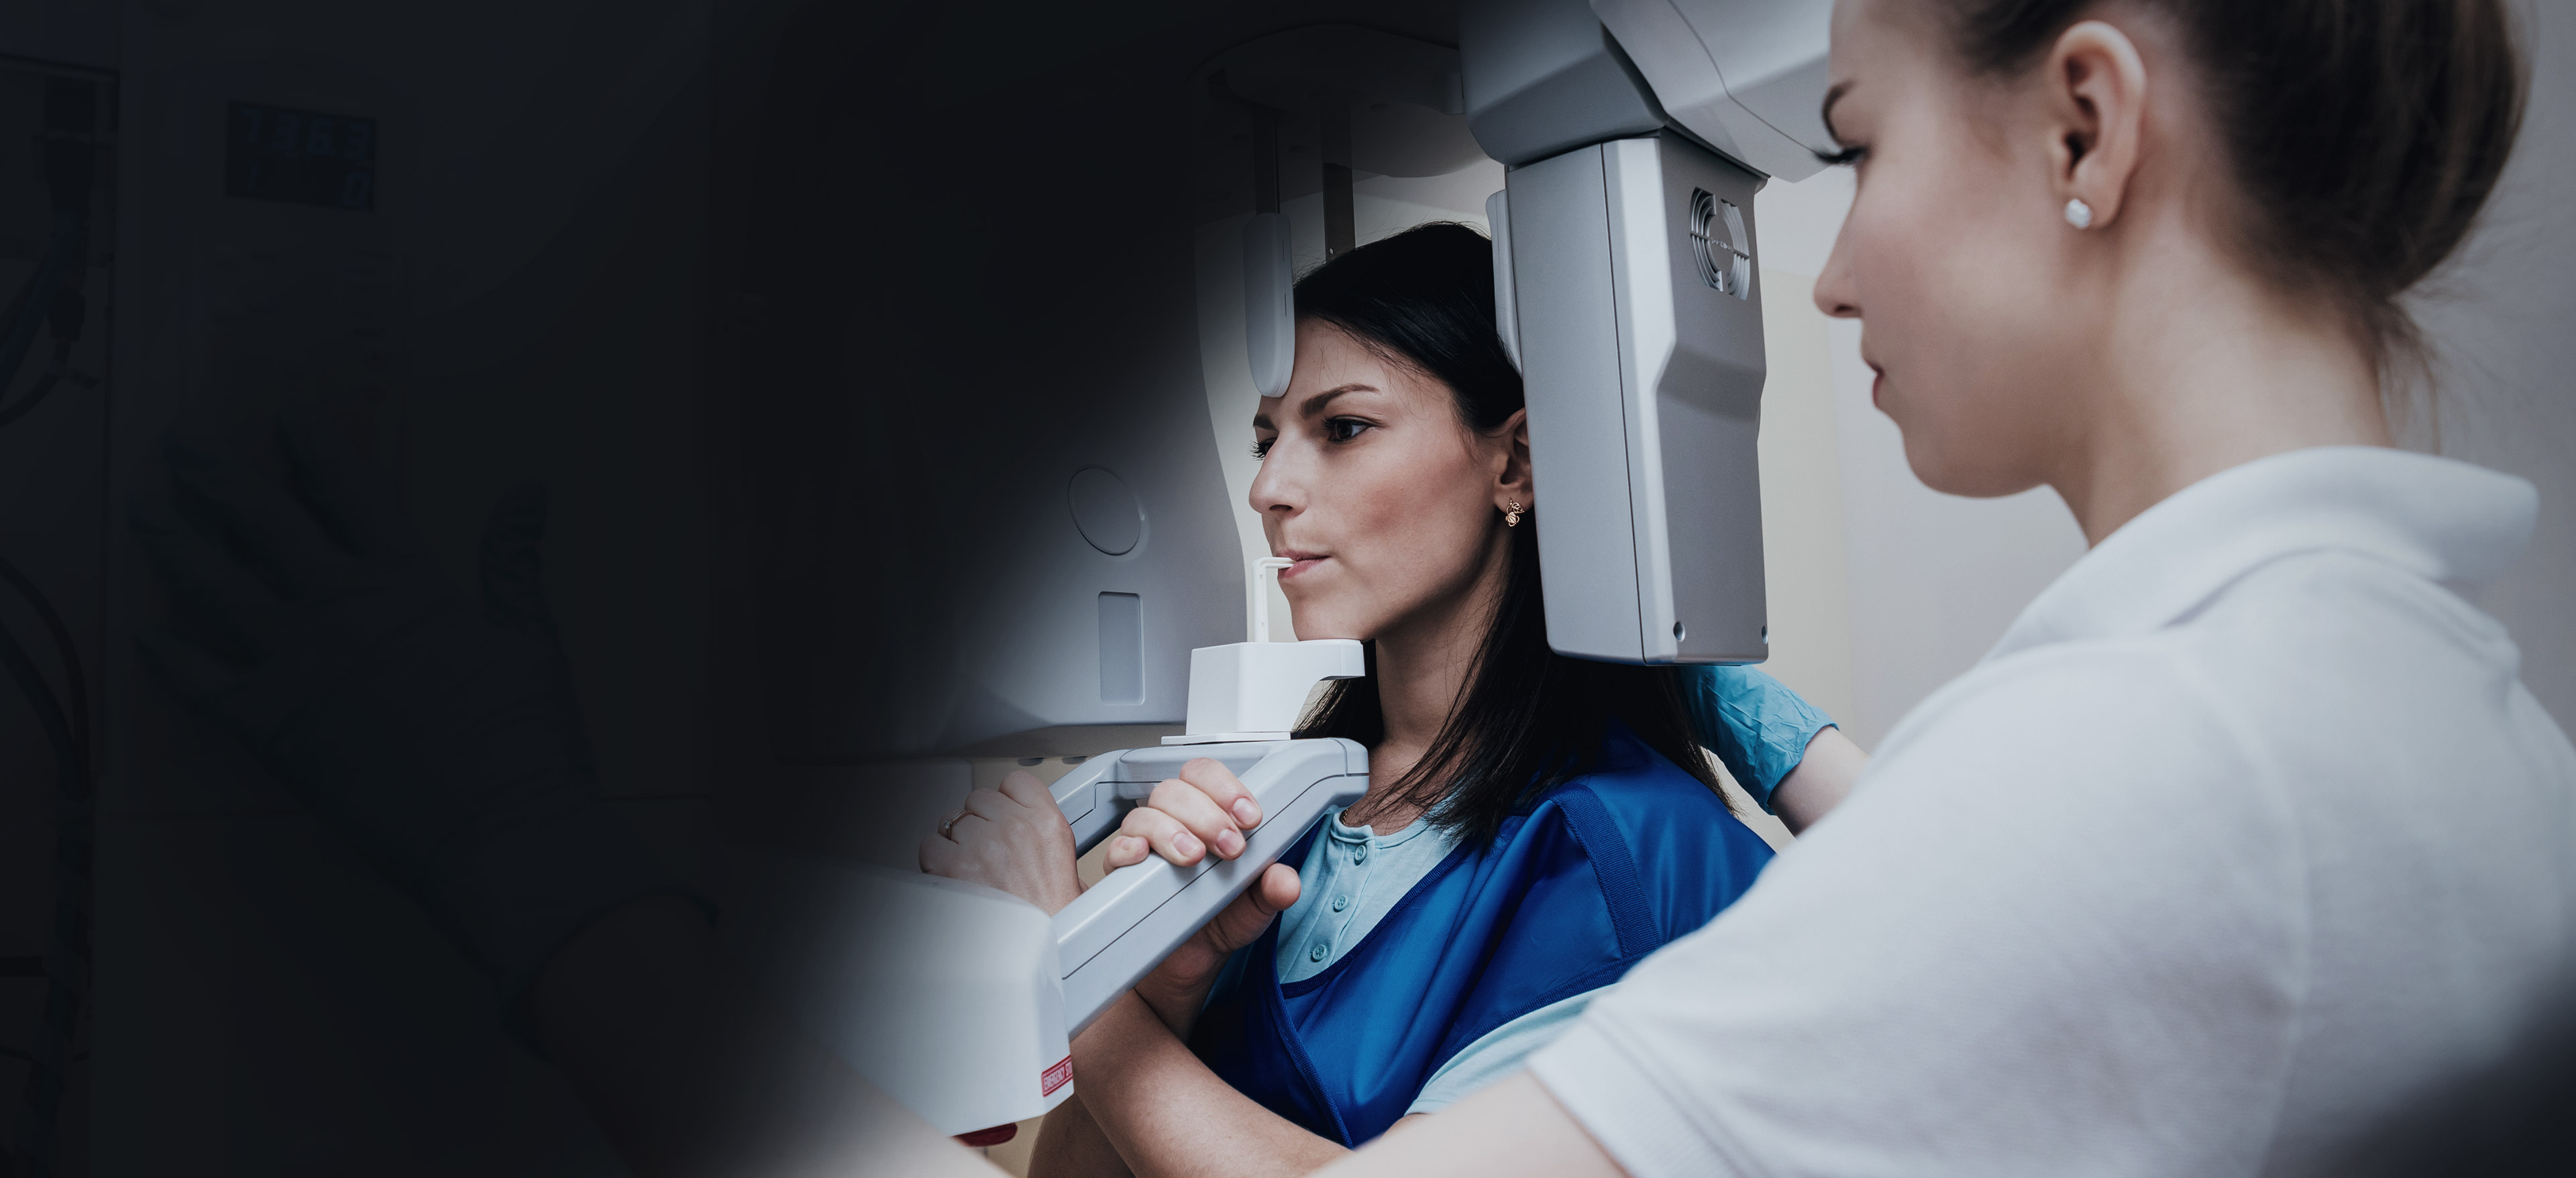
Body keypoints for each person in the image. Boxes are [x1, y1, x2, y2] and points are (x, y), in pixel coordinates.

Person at [919, 222, 1868, 1175]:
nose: (1267, 488)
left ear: (1515, 462)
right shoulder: (1274, 819)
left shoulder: (1615, 851)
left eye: (1342, 428)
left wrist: (1063, 969)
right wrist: (1163, 990)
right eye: (1266, 440)